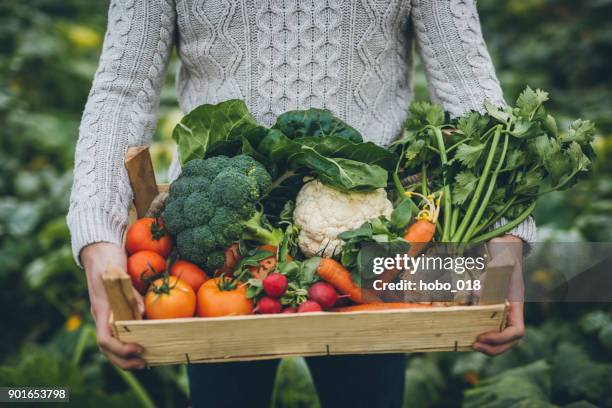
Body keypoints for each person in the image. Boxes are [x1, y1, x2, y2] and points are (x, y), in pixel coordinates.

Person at [68, 1, 535, 407]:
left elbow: (468, 84)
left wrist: (506, 236)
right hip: (218, 250)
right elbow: (121, 91)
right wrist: (98, 239)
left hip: (371, 247)